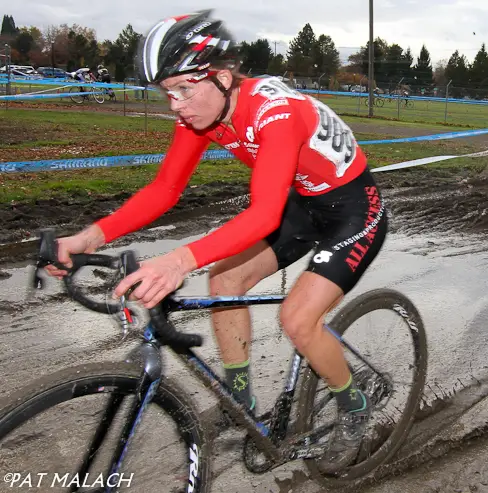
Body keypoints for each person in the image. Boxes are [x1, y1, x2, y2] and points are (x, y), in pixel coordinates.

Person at [44, 10, 387, 475]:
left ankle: (355, 404)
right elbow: (165, 190)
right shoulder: (201, 117)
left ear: (223, 78)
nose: (175, 105)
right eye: (168, 93)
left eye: (185, 89)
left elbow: (263, 214)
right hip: (302, 202)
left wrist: (176, 261)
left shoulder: (275, 113)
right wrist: (86, 237)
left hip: (352, 209)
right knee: (224, 278)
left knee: (299, 319)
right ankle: (240, 399)